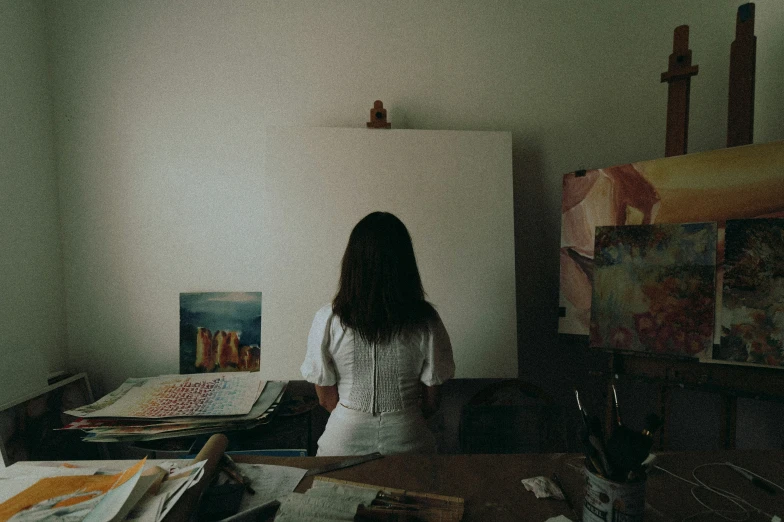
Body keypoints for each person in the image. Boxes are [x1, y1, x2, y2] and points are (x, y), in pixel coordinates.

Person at [300, 211, 455, 456]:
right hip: (409, 440)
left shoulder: (328, 319)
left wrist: (356, 417)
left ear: (352, 262)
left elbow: (326, 399)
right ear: (405, 263)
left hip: (342, 443)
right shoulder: (426, 321)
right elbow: (431, 401)